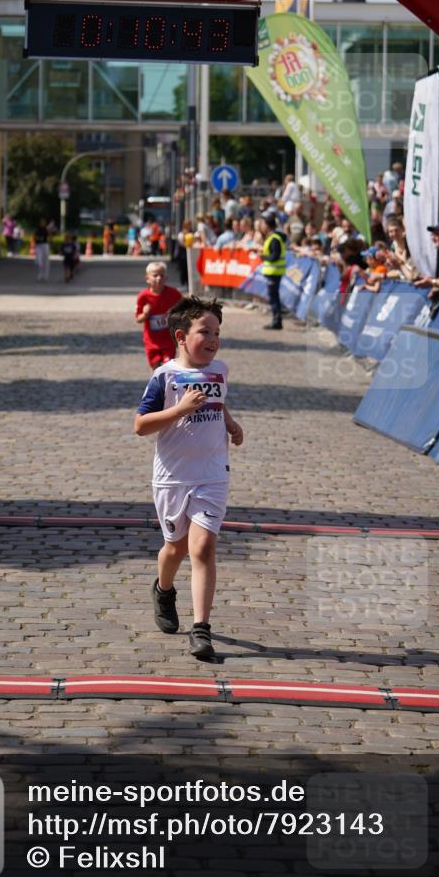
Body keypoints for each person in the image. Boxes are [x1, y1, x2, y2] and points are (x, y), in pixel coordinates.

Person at [134, 295, 243, 659]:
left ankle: (201, 629)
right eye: (204, 332)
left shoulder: (221, 370)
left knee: (202, 548)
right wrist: (179, 409)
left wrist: (229, 421)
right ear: (181, 336)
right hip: (172, 477)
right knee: (175, 548)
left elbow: (218, 398)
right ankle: (164, 589)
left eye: (217, 332)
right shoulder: (163, 376)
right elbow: (140, 425)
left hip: (212, 476)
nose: (213, 339)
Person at [135, 261, 183, 370]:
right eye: (155, 275)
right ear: (147, 278)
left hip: (168, 340)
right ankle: (157, 386)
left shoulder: (173, 293)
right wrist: (145, 314)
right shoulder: (143, 296)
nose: (159, 278)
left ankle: (167, 386)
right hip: (151, 341)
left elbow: (184, 309)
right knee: (156, 370)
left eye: (162, 275)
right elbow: (138, 319)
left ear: (166, 277)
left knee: (168, 368)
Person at [258, 211, 287, 330]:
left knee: (273, 298)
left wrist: (262, 257)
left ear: (267, 224)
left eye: (262, 223)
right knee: (274, 297)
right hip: (274, 272)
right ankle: (276, 320)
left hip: (274, 272)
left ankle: (277, 321)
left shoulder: (274, 238)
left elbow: (275, 256)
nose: (261, 226)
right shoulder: (274, 237)